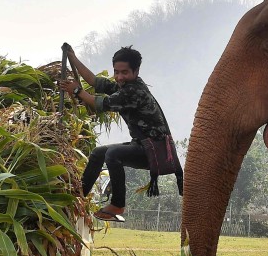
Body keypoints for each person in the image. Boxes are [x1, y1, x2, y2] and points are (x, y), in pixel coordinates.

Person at [59, 43, 182, 221]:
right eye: (116, 72)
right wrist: (73, 57)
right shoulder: (125, 86)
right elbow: (94, 81)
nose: (119, 77)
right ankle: (78, 196)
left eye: (124, 72)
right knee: (98, 153)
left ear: (136, 71)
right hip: (141, 145)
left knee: (113, 154)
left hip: (154, 151)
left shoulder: (134, 91)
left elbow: (100, 103)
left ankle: (117, 205)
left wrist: (76, 90)